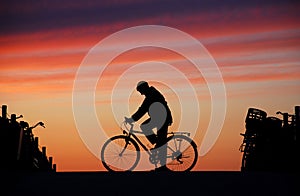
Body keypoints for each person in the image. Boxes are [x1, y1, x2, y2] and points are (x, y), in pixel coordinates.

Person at [125, 81, 173, 171]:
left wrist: (132, 119)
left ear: (144, 88)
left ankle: (162, 166)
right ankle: (157, 144)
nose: (140, 93)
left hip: (162, 118)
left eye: (140, 91)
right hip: (158, 117)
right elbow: (143, 108)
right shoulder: (151, 93)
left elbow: (143, 109)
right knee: (148, 129)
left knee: (161, 141)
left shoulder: (152, 95)